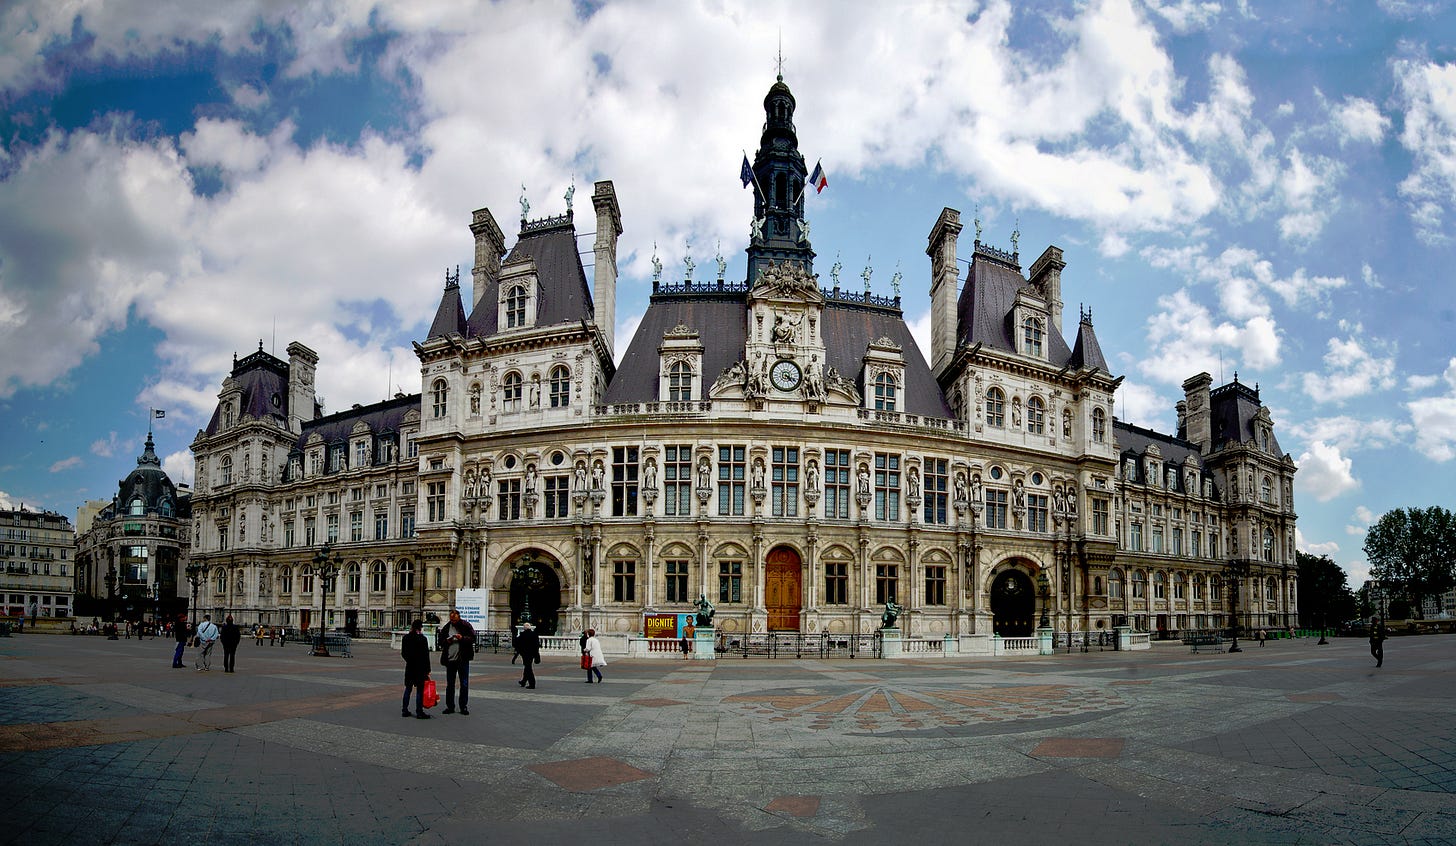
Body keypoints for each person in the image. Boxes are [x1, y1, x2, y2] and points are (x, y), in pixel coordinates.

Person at [436, 609, 475, 715]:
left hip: (463, 659)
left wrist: (462, 638)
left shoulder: (466, 625)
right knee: (450, 684)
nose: (453, 621)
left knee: (464, 684)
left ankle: (463, 707)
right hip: (450, 660)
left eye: (455, 619)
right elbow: (440, 641)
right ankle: (450, 706)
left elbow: (473, 638)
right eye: (451, 619)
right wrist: (446, 641)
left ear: (459, 617)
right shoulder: (446, 627)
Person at [400, 620, 432, 719]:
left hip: (410, 667)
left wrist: (409, 660)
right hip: (420, 668)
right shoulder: (422, 639)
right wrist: (428, 669)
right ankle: (419, 711)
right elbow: (426, 656)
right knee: (420, 690)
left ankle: (404, 710)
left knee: (408, 689)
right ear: (420, 628)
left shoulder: (406, 638)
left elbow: (403, 653)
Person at [516, 622, 540, 689]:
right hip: (532, 654)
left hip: (525, 654)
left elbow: (518, 644)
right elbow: (537, 646)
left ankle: (532, 683)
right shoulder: (534, 634)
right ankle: (523, 681)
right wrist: (536, 655)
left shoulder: (523, 635)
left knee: (528, 668)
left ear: (524, 628)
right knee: (527, 667)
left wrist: (520, 652)